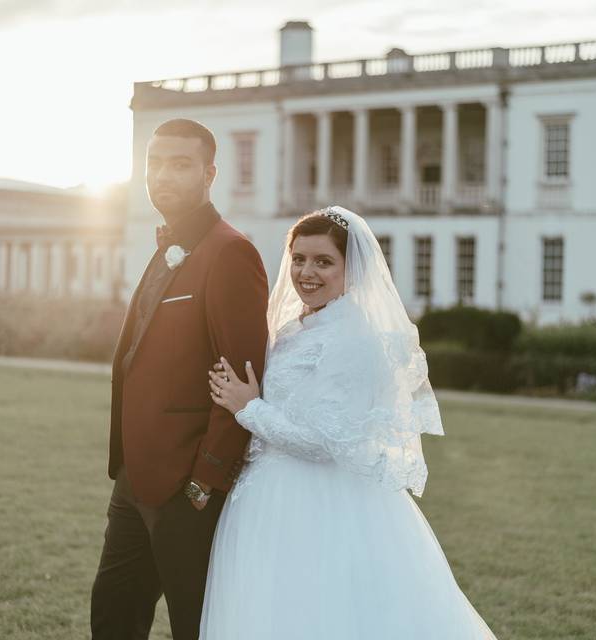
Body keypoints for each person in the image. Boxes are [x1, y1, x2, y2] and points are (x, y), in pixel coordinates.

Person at [202, 206, 498, 639]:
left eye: (324, 262)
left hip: (321, 503)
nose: (307, 272)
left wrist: (249, 409)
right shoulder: (293, 328)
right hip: (266, 495)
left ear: (350, 267)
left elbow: (325, 441)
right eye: (299, 258)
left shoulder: (355, 338)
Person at [89, 118, 269, 640]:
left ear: (209, 173)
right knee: (113, 615)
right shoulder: (165, 245)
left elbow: (244, 378)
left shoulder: (230, 252)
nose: (162, 175)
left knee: (196, 626)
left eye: (180, 163)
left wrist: (203, 482)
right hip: (133, 480)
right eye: (154, 162)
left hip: (186, 489)